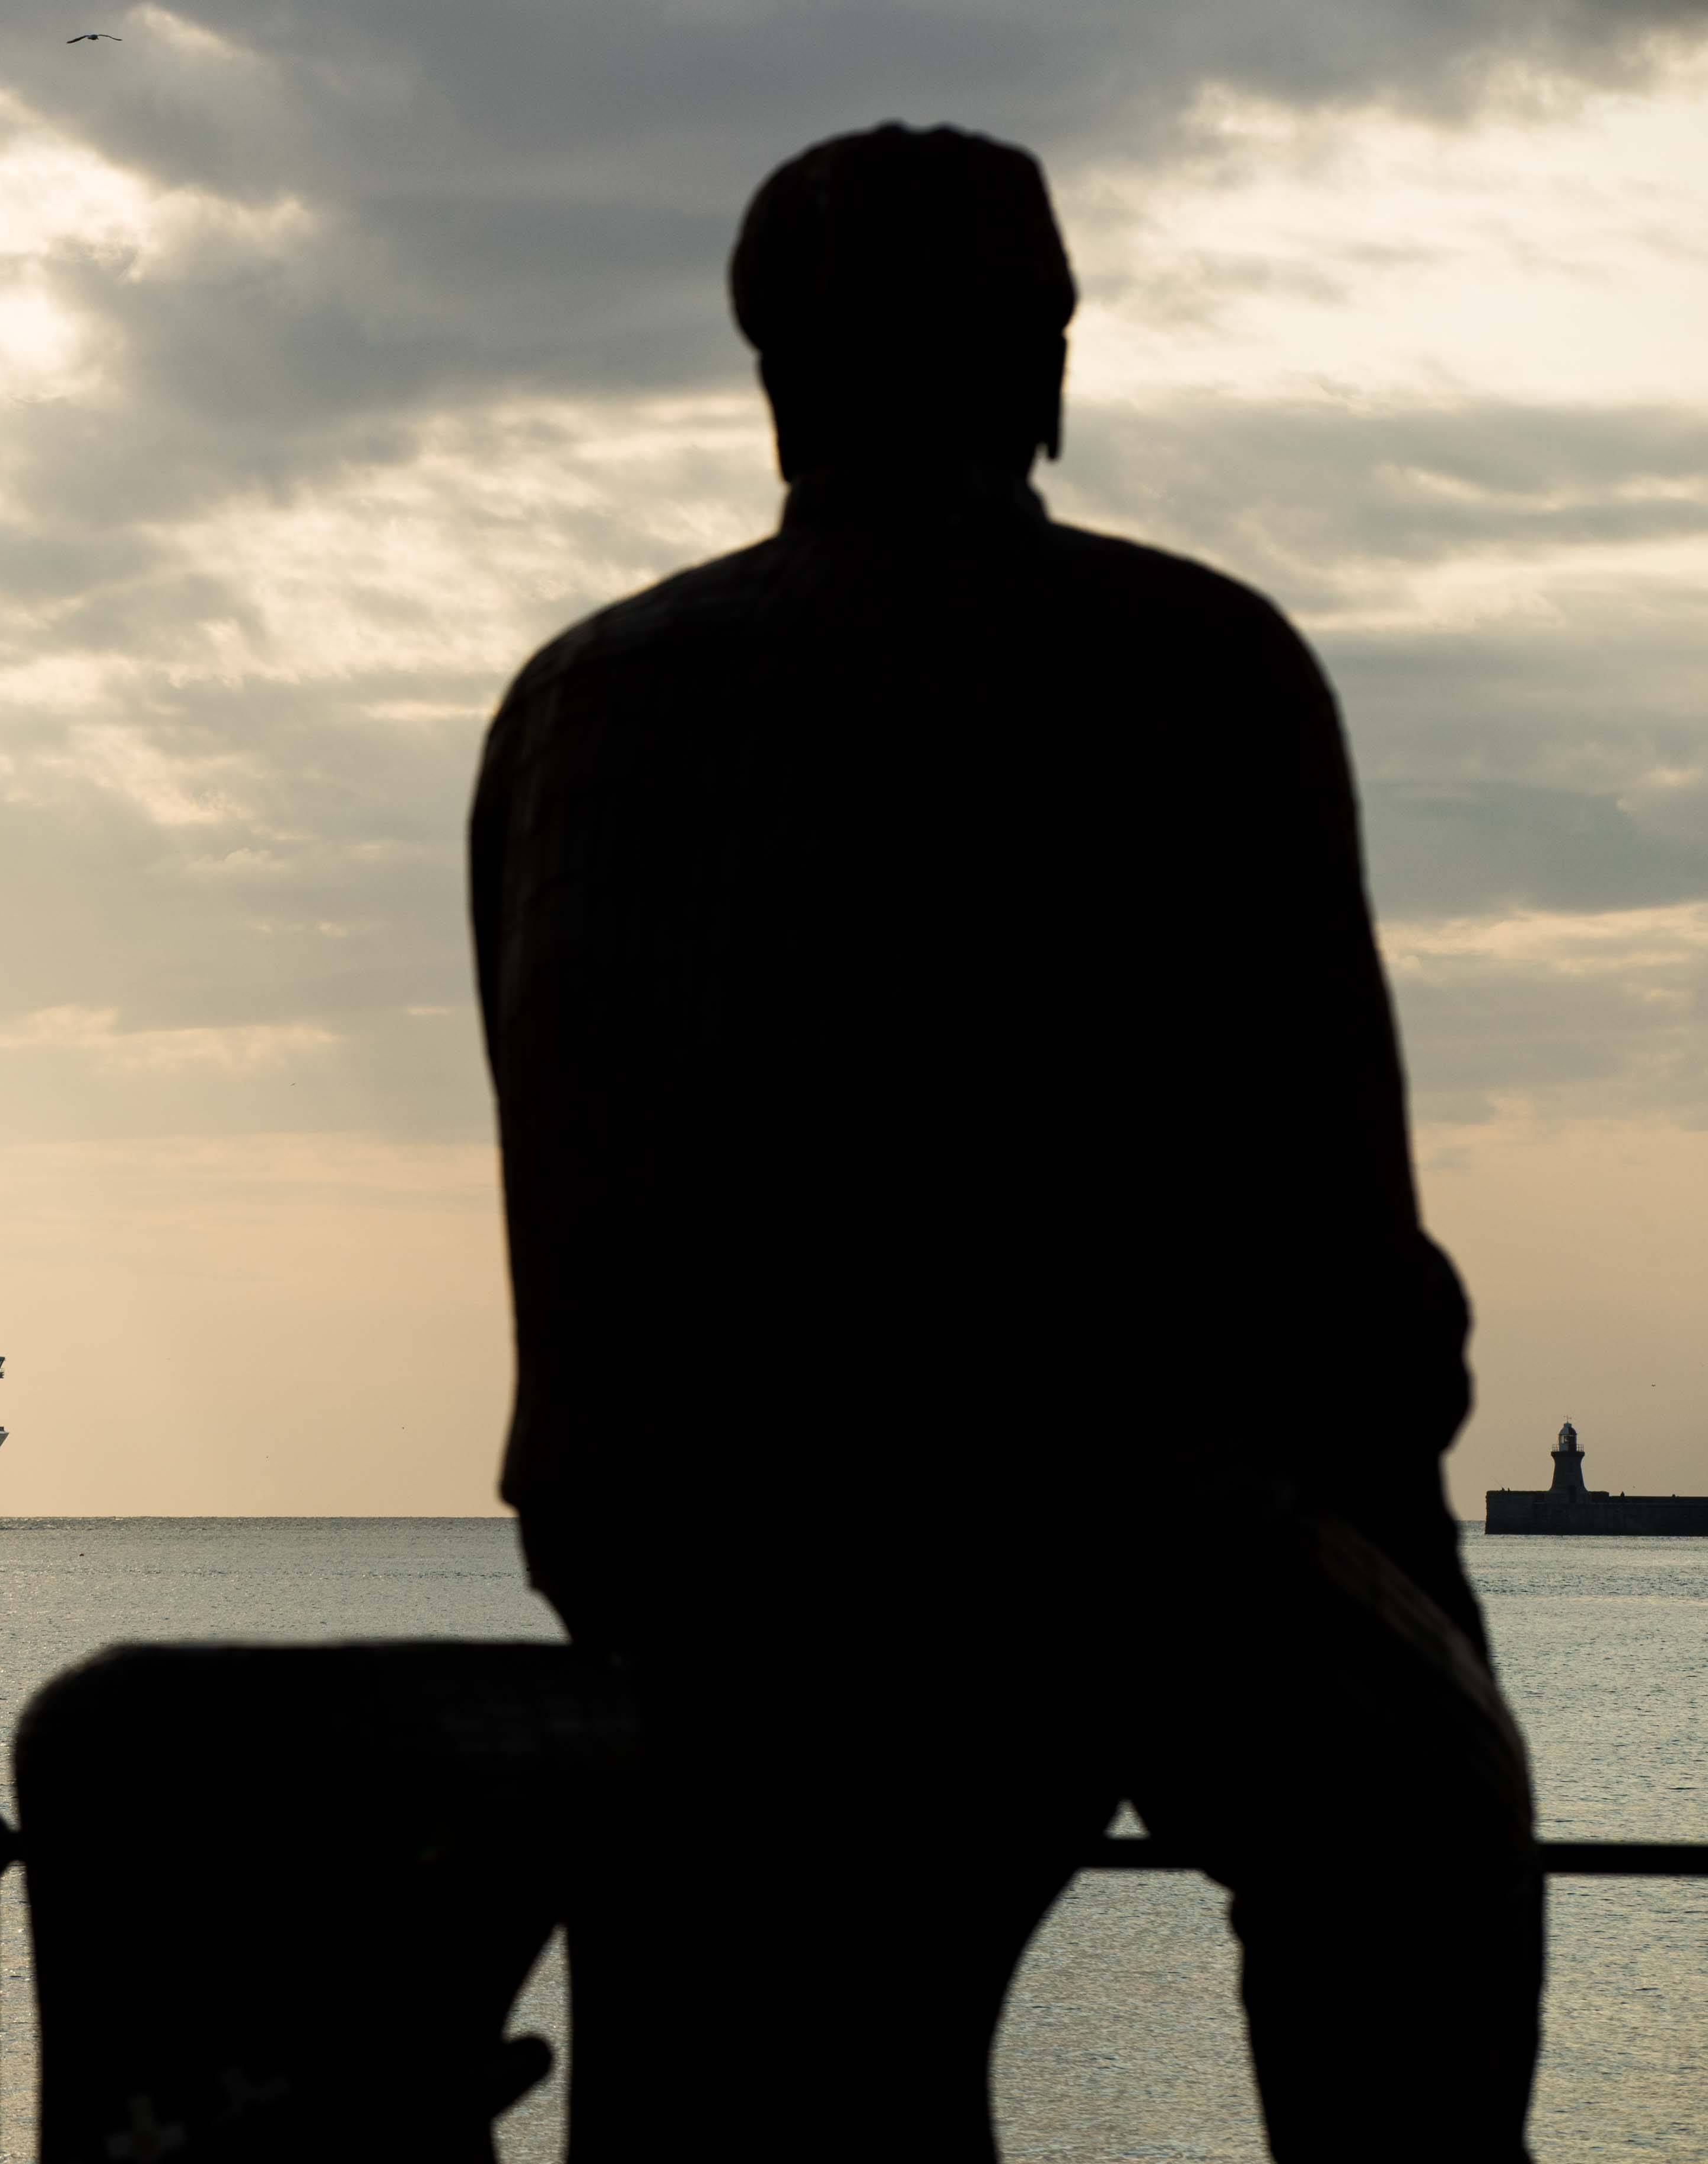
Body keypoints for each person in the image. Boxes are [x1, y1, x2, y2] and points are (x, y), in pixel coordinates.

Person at [467, 123, 1541, 2161]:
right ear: (1042, 363)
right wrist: (1394, 1541)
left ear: (776, 380)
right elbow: (1348, 1240)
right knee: (1425, 1828)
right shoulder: (1199, 660)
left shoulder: (571, 703)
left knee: (801, 2045)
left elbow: (562, 1189)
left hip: (684, 1555)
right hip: (1129, 1524)